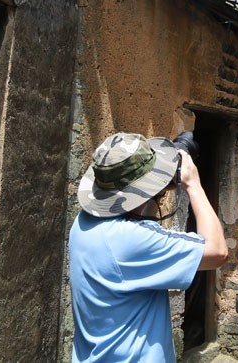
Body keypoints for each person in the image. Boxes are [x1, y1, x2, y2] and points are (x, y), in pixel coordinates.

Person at [69, 132, 228, 363]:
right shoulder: (131, 241)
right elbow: (217, 251)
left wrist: (155, 188)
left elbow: (135, 220)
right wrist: (194, 186)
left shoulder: (83, 224)